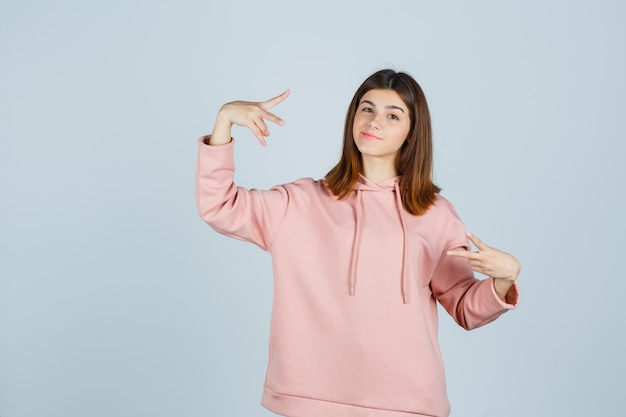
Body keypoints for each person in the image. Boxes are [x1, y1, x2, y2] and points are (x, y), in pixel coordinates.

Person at [196, 69, 521, 417]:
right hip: (309, 398)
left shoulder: (435, 215)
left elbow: (464, 307)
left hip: (408, 402)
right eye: (367, 109)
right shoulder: (301, 201)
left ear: (412, 133)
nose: (375, 121)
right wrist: (224, 121)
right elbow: (220, 207)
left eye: (392, 115)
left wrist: (503, 281)